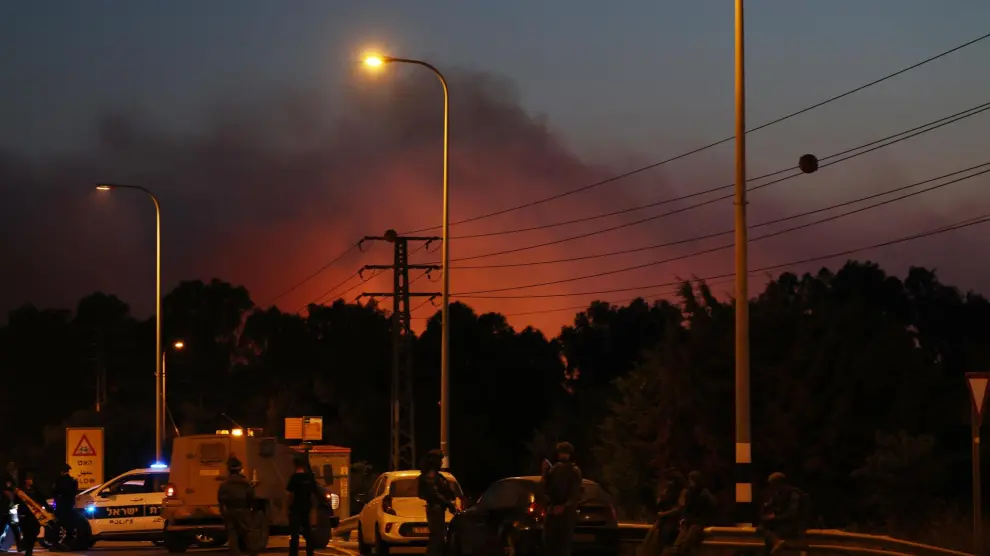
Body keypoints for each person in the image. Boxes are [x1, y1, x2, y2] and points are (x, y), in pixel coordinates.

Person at [541, 441, 582, 556]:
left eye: (565, 453)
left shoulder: (574, 470)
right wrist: (544, 472)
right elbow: (545, 488)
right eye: (561, 452)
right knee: (549, 543)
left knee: (563, 545)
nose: (563, 455)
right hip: (552, 512)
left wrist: (563, 506)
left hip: (566, 514)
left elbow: (574, 494)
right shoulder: (554, 469)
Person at [661, 471, 717, 556]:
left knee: (687, 541)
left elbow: (711, 507)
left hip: (700, 522)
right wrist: (684, 518)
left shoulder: (704, 494)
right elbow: (687, 508)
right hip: (690, 521)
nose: (691, 483)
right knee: (678, 543)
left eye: (693, 480)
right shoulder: (689, 493)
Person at [417, 449, 456, 556]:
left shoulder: (435, 475)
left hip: (437, 509)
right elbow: (433, 494)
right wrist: (448, 503)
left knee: (439, 539)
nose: (441, 463)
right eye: (440, 460)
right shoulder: (431, 475)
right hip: (435, 509)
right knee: (437, 539)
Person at [638, 469, 685, 556]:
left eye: (671, 480)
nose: (669, 483)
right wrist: (660, 499)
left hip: (673, 522)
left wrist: (665, 513)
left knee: (666, 544)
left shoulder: (681, 492)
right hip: (662, 522)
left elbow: (678, 509)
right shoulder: (667, 491)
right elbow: (659, 505)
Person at [757, 472, 808, 555]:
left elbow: (792, 514)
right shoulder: (777, 494)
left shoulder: (793, 494)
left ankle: (777, 542)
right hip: (782, 522)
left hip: (792, 524)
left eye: (772, 484)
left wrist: (775, 517)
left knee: (766, 531)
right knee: (761, 528)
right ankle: (776, 542)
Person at [218, 456, 257, 556]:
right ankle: (252, 551)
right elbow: (251, 497)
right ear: (240, 469)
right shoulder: (245, 483)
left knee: (232, 532)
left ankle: (234, 552)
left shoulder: (224, 484)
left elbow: (221, 499)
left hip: (230, 510)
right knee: (248, 531)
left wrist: (222, 511)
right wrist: (251, 508)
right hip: (243, 509)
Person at [286, 456, 321, 556]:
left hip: (295, 508)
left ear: (295, 465)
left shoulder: (294, 478)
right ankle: (310, 552)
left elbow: (289, 494)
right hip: (306, 508)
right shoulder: (309, 478)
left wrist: (288, 507)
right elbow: (314, 492)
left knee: (295, 534)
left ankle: (293, 554)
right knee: (308, 532)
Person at [16, 472, 44, 556]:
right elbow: (18, 502)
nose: (29, 481)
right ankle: (28, 550)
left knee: (33, 533)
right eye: (28, 479)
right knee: (26, 533)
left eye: (30, 479)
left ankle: (29, 549)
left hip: (34, 516)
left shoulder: (37, 491)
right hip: (25, 515)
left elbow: (42, 501)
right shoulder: (21, 491)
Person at [51, 464, 78, 541]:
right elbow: (74, 493)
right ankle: (70, 538)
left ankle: (56, 540)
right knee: (70, 523)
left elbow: (54, 492)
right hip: (70, 506)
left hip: (60, 506)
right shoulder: (73, 481)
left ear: (61, 472)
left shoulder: (59, 481)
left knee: (57, 522)